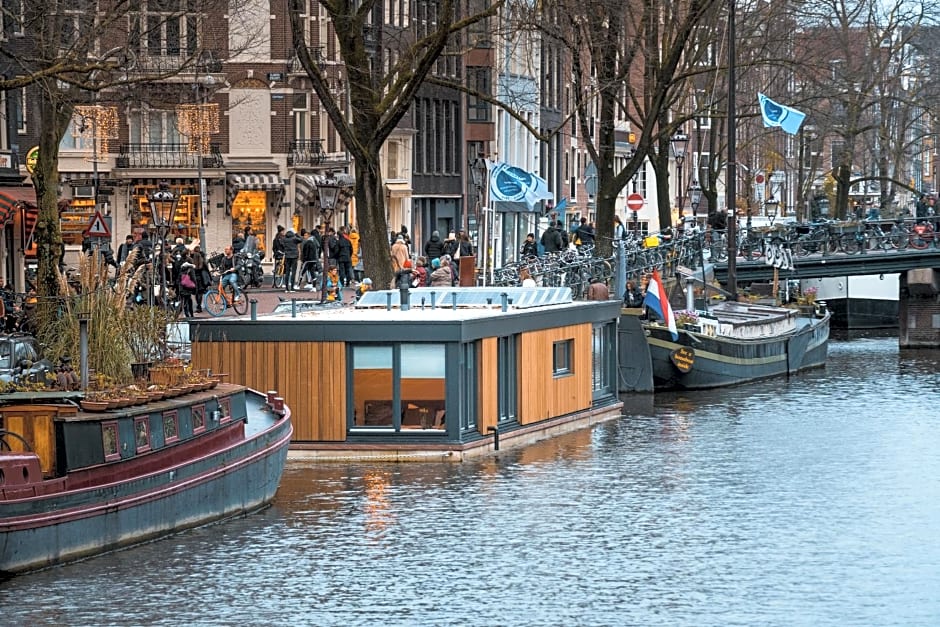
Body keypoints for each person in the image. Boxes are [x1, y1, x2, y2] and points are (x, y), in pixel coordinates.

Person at [191, 245, 209, 313]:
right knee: (200, 292)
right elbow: (205, 267)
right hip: (201, 277)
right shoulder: (201, 257)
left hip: (194, 277)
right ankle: (199, 306)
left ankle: (198, 306)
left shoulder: (192, 257)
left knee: (196, 292)